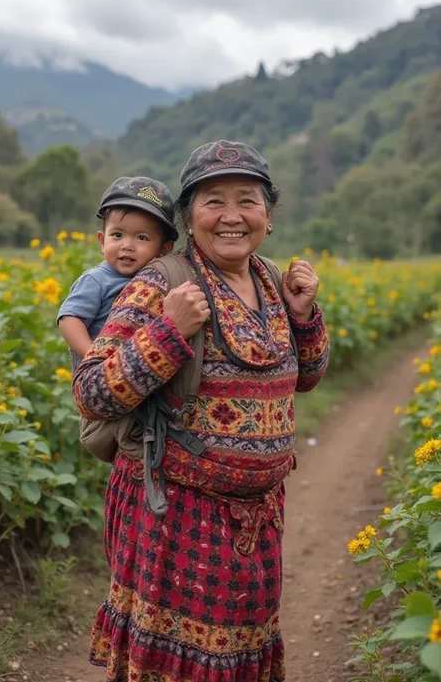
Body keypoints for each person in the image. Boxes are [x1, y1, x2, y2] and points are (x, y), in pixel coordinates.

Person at [73, 140, 330, 682]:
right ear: (190, 218)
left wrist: (303, 315)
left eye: (248, 200)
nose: (232, 216)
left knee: (239, 657)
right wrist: (168, 331)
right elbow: (92, 390)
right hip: (175, 516)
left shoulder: (270, 279)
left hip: (259, 519)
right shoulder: (162, 282)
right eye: (214, 201)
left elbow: (304, 379)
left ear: (269, 215)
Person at [57, 176, 178, 372]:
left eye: (142, 237)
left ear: (164, 249)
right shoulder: (97, 280)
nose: (127, 246)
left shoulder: (159, 282)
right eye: (118, 235)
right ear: (102, 241)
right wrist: (93, 357)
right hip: (102, 378)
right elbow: (69, 319)